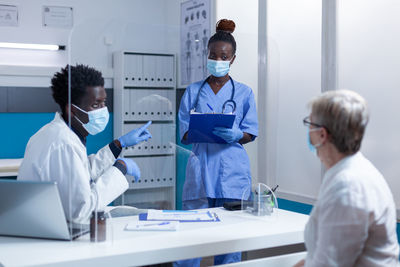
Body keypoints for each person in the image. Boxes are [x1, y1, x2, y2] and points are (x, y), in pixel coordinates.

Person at [18, 64, 152, 224]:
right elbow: (81, 211)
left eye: (104, 102)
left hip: (52, 223)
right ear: (72, 110)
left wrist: (119, 144)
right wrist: (120, 168)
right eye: (95, 105)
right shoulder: (64, 143)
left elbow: (80, 171)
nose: (103, 110)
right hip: (54, 231)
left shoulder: (56, 133)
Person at [177, 19, 258, 266]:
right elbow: (184, 133)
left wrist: (236, 135)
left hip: (231, 171)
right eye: (214, 56)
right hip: (201, 168)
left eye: (224, 57)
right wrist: (200, 130)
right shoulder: (193, 91)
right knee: (192, 238)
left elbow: (250, 133)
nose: (218, 61)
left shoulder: (244, 93)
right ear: (207, 55)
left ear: (233, 59)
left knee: (229, 239)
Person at [294, 90, 399, 267]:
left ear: (322, 134)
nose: (308, 130)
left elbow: (329, 264)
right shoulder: (346, 172)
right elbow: (318, 256)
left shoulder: (348, 187)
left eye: (309, 124)